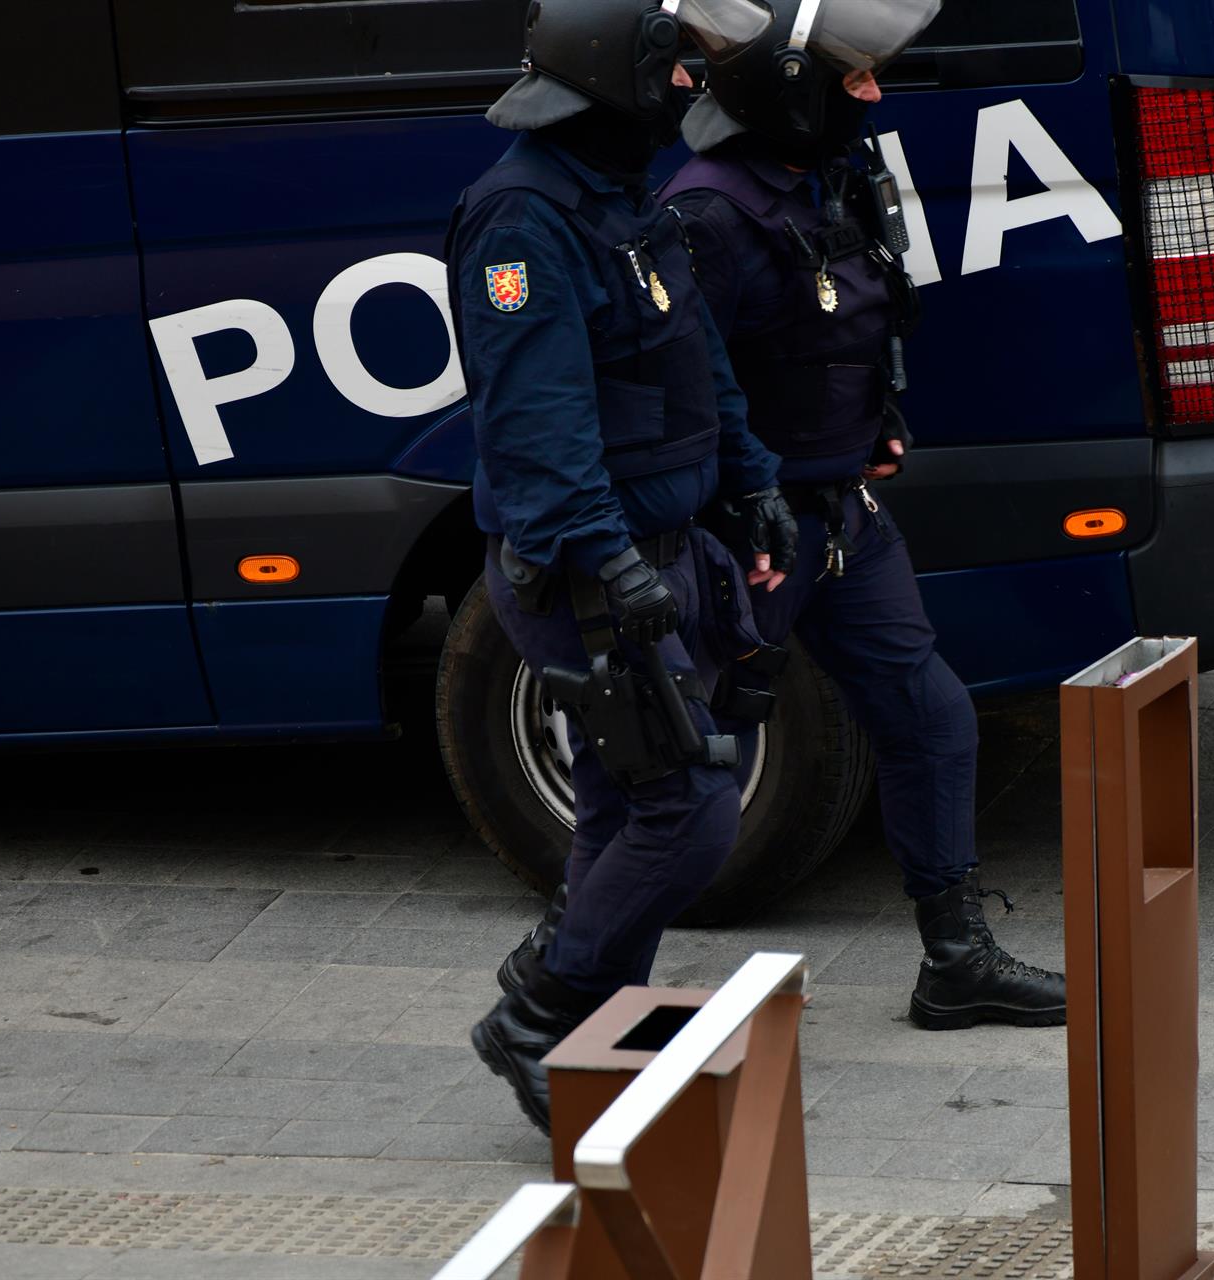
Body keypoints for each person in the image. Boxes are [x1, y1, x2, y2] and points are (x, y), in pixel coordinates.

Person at [660, 0, 1067, 1030]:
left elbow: (853, 314)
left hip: (839, 513)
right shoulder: (707, 216)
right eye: (853, 81)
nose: (876, 94)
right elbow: (678, 397)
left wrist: (874, 421)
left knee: (932, 716)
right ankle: (569, 969)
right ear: (790, 98)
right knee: (681, 759)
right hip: (751, 532)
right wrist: (732, 525)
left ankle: (956, 958)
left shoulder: (819, 178)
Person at [449, 0, 799, 1131]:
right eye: (674, 75)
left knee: (621, 804)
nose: (692, 92)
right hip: (587, 572)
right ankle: (538, 1010)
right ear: (612, 84)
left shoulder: (623, 203)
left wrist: (754, 481)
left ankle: (605, 1034)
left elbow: (700, 366)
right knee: (692, 807)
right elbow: (537, 431)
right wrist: (607, 565)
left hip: (670, 543)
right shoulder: (521, 222)